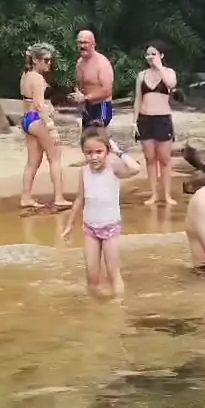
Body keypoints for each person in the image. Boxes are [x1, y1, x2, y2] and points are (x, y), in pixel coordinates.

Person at [62, 127, 140, 298]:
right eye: (89, 152)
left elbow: (135, 169)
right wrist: (69, 225)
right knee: (91, 276)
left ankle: (118, 305)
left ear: (107, 151)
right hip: (90, 228)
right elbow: (80, 199)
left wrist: (118, 152)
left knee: (113, 273)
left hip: (110, 228)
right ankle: (94, 306)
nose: (94, 157)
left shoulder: (113, 169)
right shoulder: (84, 172)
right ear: (83, 152)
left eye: (99, 151)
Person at [20, 42, 71, 210]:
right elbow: (39, 104)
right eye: (46, 60)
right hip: (37, 120)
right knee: (55, 156)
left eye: (50, 60)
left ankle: (26, 197)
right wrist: (51, 127)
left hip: (27, 119)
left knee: (32, 162)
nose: (49, 63)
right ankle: (59, 197)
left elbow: (29, 101)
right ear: (35, 60)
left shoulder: (26, 75)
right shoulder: (37, 78)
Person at [133, 42, 178, 206]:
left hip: (162, 119)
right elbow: (138, 99)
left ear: (161, 55)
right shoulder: (141, 75)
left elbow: (171, 84)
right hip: (145, 119)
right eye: (148, 54)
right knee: (150, 158)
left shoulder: (169, 72)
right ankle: (153, 194)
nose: (150, 57)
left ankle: (167, 195)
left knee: (164, 159)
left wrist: (159, 67)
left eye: (154, 54)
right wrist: (134, 121)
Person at [69, 30, 114, 130]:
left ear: (93, 44)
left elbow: (107, 90)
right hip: (88, 106)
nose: (82, 46)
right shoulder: (79, 63)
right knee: (86, 136)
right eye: (80, 42)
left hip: (102, 106)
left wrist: (85, 98)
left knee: (97, 133)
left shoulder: (102, 63)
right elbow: (80, 85)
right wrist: (77, 95)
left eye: (85, 42)